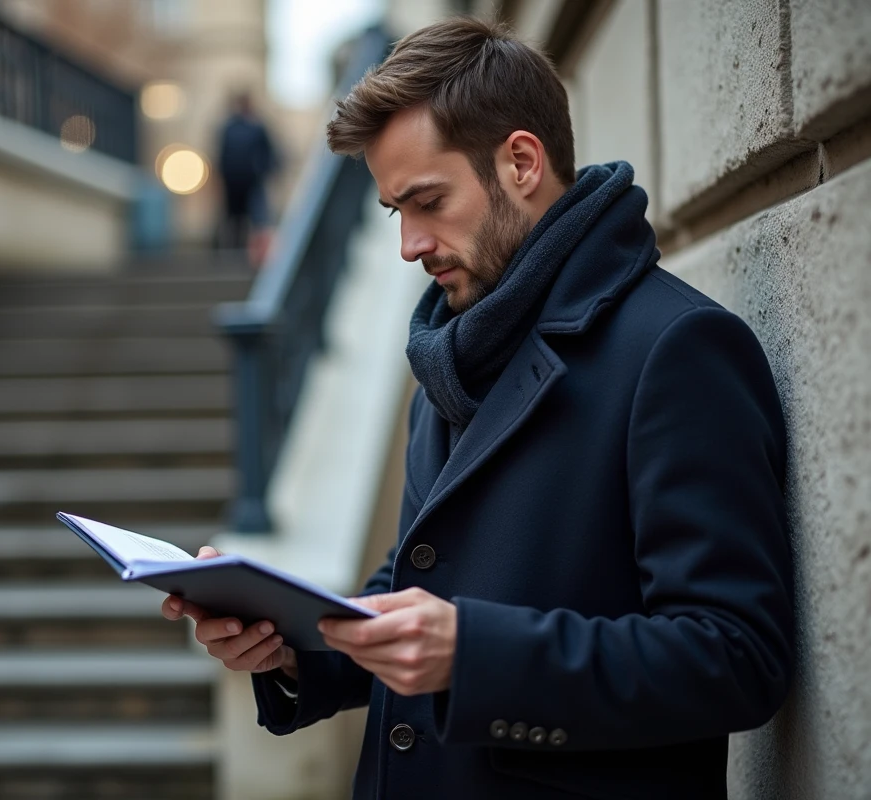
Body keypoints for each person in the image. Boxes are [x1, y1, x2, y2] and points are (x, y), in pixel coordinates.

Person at [164, 17, 794, 799]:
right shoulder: (455, 350)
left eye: (429, 201)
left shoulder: (677, 348)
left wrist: (476, 657)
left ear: (522, 162)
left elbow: (737, 657)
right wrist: (290, 642)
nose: (410, 246)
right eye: (398, 211)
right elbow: (418, 580)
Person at [215, 91, 278, 259]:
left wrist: (262, 170)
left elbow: (268, 152)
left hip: (251, 181)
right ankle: (234, 251)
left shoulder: (256, 127)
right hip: (233, 181)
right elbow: (222, 154)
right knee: (235, 218)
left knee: (257, 218)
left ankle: (255, 253)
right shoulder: (230, 128)